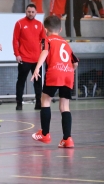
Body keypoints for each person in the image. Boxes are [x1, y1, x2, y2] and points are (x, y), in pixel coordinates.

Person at [31, 15, 79, 148]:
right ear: (61, 29)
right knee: (65, 106)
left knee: (45, 100)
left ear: (45, 30)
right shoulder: (66, 43)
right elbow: (75, 63)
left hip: (55, 72)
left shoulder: (47, 39)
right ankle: (67, 139)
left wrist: (37, 68)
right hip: (68, 74)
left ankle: (45, 134)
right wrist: (69, 70)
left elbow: (45, 52)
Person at [13, 3, 46, 110]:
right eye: (29, 12)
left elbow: (44, 40)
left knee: (38, 82)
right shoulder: (19, 23)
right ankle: (19, 103)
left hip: (37, 59)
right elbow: (15, 40)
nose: (30, 14)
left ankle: (38, 103)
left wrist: (44, 54)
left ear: (36, 12)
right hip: (24, 58)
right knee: (21, 81)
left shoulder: (40, 24)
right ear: (26, 12)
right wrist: (17, 54)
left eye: (32, 12)